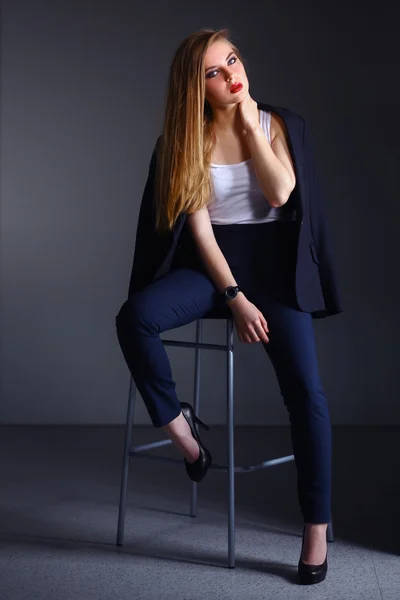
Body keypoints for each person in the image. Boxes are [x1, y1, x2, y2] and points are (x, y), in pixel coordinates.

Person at [115, 28, 344, 585]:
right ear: (195, 89)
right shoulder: (184, 140)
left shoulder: (278, 123)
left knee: (307, 395)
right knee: (135, 318)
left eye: (232, 60)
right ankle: (186, 438)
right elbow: (201, 232)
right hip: (213, 266)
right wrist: (233, 297)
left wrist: (248, 125)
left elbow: (280, 194)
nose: (231, 75)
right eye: (214, 72)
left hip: (276, 268)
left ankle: (316, 526)